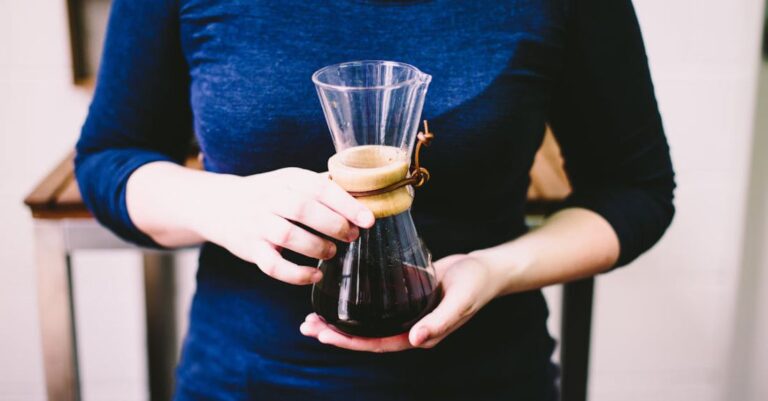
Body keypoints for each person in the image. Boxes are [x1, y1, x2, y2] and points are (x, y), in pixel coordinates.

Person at [75, 0, 676, 399]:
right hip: (246, 379)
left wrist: (494, 269)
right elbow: (108, 159)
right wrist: (220, 205)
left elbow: (636, 189)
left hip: (486, 378)